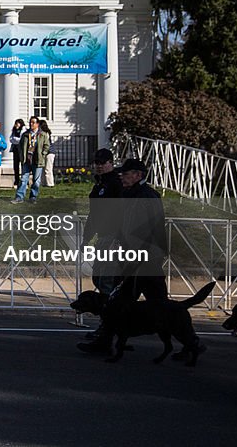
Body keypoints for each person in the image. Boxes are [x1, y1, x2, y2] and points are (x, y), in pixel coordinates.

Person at [78, 157, 169, 355]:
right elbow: (124, 224)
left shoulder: (147, 196)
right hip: (129, 256)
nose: (122, 177)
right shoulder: (129, 194)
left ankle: (190, 342)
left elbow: (152, 228)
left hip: (146, 259)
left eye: (126, 174)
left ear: (138, 175)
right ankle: (105, 340)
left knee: (160, 304)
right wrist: (117, 241)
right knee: (118, 301)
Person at [80, 148, 124, 341]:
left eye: (102, 162)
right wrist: (87, 237)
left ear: (110, 163)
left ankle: (107, 328)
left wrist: (119, 238)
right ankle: (111, 323)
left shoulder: (115, 184)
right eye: (96, 162)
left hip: (112, 236)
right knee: (99, 278)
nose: (98, 166)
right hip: (101, 235)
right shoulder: (99, 185)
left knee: (107, 281)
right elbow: (93, 213)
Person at [12, 117, 50, 204]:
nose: (31, 124)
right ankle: (19, 197)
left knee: (36, 180)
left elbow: (47, 145)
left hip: (37, 160)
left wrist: (43, 154)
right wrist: (22, 156)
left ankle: (33, 197)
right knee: (24, 179)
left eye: (33, 122)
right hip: (27, 160)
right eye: (30, 122)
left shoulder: (43, 134)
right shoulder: (25, 134)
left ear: (37, 124)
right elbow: (20, 146)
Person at [9, 119, 25, 188]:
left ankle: (23, 180)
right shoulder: (14, 130)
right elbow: (11, 139)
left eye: (18, 123)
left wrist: (15, 139)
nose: (16, 125)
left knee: (22, 165)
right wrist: (15, 139)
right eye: (16, 123)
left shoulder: (24, 130)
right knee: (15, 166)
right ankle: (16, 180)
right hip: (15, 150)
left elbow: (21, 140)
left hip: (21, 150)